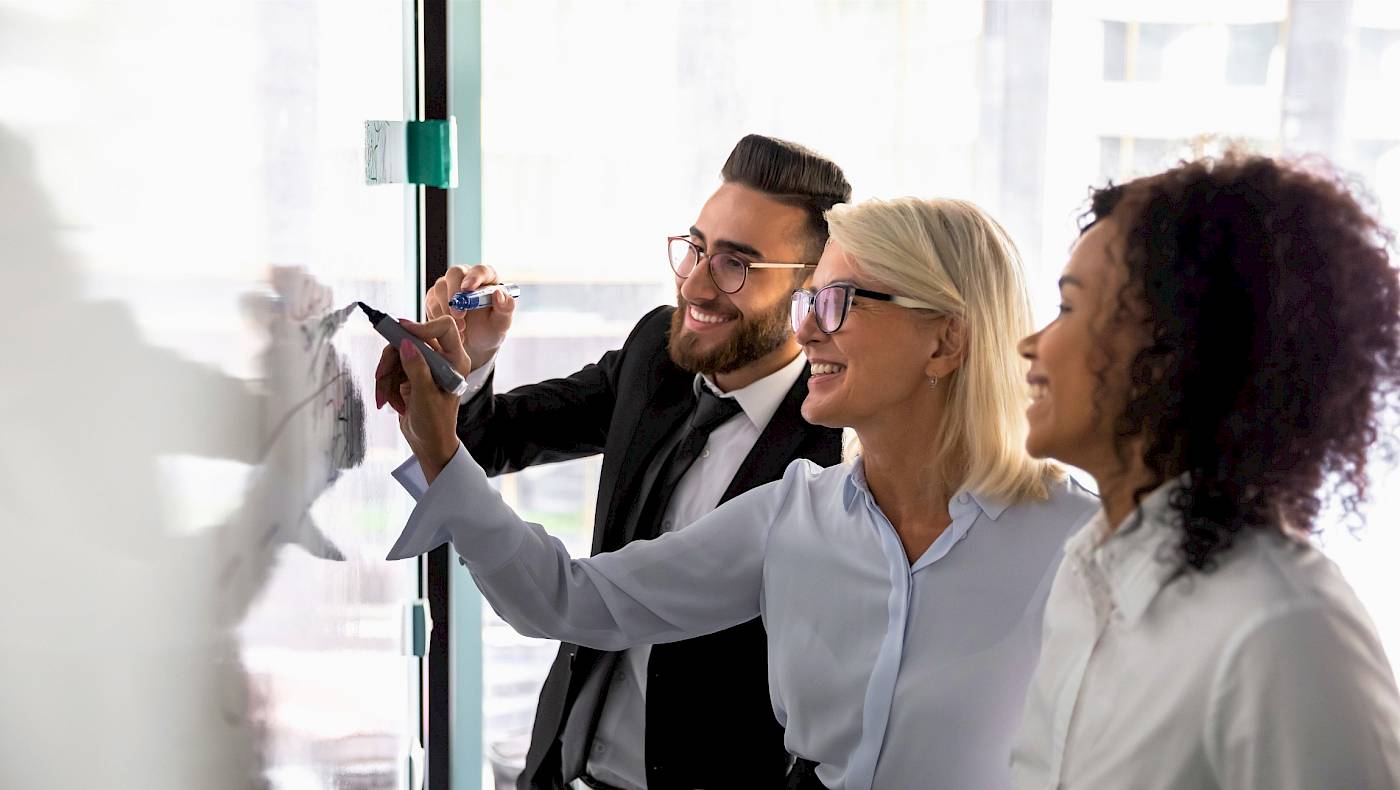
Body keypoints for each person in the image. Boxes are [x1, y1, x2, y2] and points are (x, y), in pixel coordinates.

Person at [379, 196, 1100, 789]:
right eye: (809, 301)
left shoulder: (1081, 544)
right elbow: (571, 599)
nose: (808, 329)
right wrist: (441, 450)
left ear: (945, 341)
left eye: (839, 302)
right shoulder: (792, 516)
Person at [378, 134, 851, 789]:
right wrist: (475, 355)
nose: (696, 283)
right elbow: (486, 443)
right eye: (696, 248)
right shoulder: (656, 355)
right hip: (564, 771)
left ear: (810, 289)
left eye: (735, 264)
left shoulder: (837, 452)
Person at [1011, 153, 1400, 788]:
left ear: (1171, 349)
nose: (1032, 344)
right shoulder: (1084, 580)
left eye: (1069, 308)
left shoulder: (1286, 631)